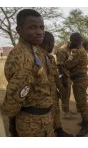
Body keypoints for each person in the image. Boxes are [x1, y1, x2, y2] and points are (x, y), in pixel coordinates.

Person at [1, 9, 54, 137]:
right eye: (32, 27)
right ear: (19, 30)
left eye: (41, 27)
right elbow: (15, 97)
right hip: (31, 123)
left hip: (44, 118)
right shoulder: (22, 56)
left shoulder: (36, 51)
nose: (40, 32)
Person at [40, 31, 73, 137]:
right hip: (44, 96)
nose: (53, 46)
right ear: (47, 43)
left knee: (56, 112)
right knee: (47, 118)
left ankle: (59, 130)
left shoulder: (50, 58)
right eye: (52, 43)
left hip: (53, 92)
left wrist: (60, 88)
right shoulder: (36, 58)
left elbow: (55, 74)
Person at [64, 32, 88, 137]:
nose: (70, 42)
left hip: (79, 79)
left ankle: (86, 125)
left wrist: (66, 61)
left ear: (74, 41)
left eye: (71, 40)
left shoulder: (77, 52)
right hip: (80, 78)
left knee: (81, 102)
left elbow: (68, 64)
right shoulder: (81, 49)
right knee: (80, 101)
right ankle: (84, 121)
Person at [56, 42, 75, 119]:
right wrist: (63, 78)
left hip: (67, 75)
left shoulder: (68, 49)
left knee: (67, 94)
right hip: (64, 76)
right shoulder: (62, 50)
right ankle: (66, 112)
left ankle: (67, 110)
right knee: (64, 94)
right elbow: (59, 65)